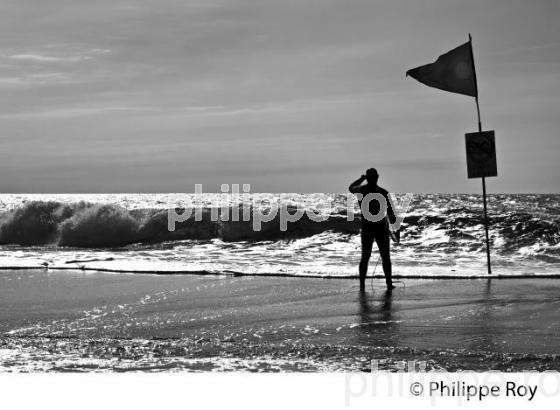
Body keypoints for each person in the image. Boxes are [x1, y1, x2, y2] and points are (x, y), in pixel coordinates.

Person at [349, 168, 398, 291]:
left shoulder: (361, 190)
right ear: (377, 177)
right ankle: (388, 283)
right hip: (380, 228)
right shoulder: (383, 192)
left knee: (367, 257)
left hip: (369, 228)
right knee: (383, 257)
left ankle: (362, 285)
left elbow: (351, 187)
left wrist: (362, 178)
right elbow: (391, 214)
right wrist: (396, 230)